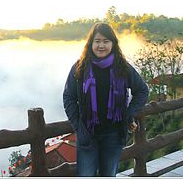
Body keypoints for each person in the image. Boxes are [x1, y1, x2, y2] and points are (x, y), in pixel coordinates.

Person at [63, 23, 149, 176]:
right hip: (87, 135)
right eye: (97, 41)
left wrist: (128, 115)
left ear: (113, 44)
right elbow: (69, 98)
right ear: (91, 43)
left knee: (108, 174)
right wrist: (78, 127)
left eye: (106, 41)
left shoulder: (122, 67)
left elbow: (142, 90)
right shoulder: (80, 68)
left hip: (113, 136)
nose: (101, 45)